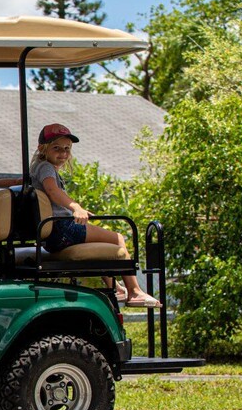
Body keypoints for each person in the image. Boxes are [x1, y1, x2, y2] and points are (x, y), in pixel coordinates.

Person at [30, 123, 161, 307]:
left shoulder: (36, 168)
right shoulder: (46, 168)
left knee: (101, 242)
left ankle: (117, 287)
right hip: (63, 228)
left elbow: (26, 183)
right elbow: (52, 191)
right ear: (42, 148)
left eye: (67, 148)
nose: (63, 153)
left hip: (52, 234)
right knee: (117, 238)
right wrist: (75, 207)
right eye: (56, 148)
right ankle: (135, 291)